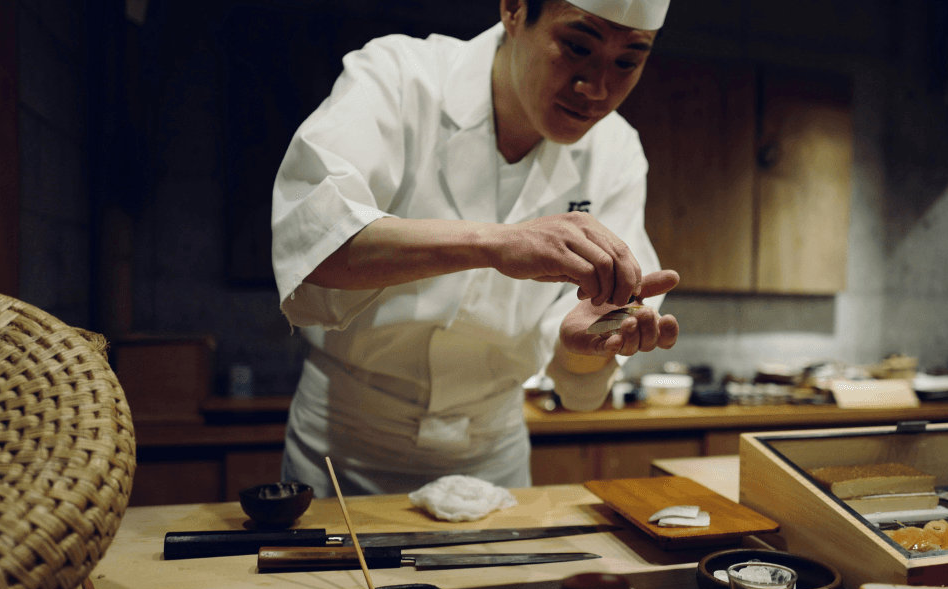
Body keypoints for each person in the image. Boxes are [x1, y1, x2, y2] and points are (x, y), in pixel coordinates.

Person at [270, 0, 679, 497]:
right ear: (513, 9)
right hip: (344, 444)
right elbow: (317, 239)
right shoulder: (401, 76)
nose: (596, 88)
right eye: (577, 47)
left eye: (627, 61)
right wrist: (496, 242)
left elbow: (579, 364)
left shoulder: (616, 152)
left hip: (491, 456)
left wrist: (584, 350)